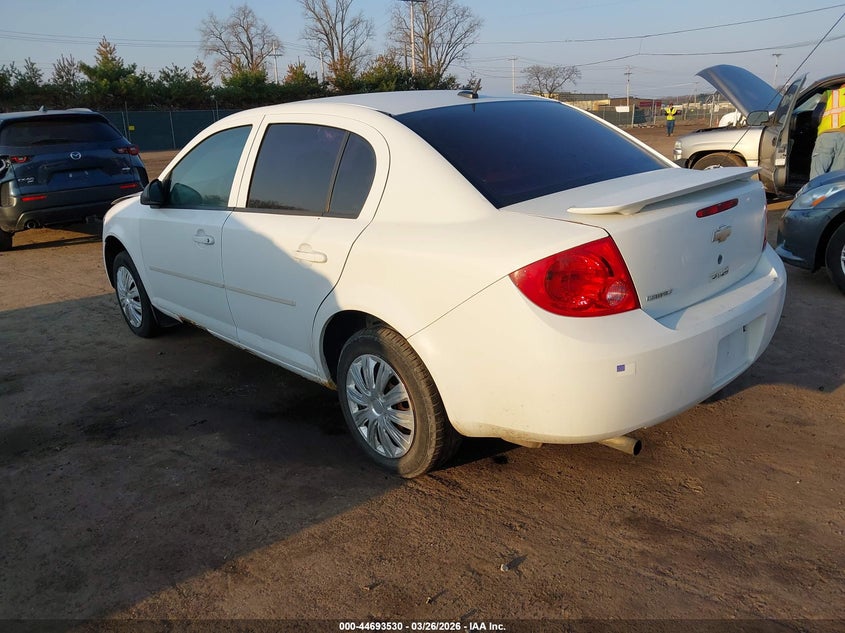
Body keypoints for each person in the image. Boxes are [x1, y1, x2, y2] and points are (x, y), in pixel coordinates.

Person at [810, 84, 845, 179]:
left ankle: (815, 192)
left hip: (827, 136)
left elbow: (816, 116)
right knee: (837, 177)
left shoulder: (830, 93)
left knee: (817, 173)